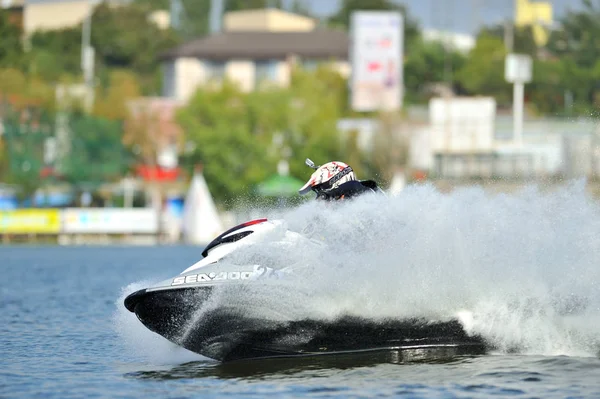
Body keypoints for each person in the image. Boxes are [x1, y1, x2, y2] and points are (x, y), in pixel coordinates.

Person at [298, 159, 382, 201]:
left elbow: (352, 185)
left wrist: (330, 193)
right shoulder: (343, 205)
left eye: (322, 188)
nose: (319, 195)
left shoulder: (364, 192)